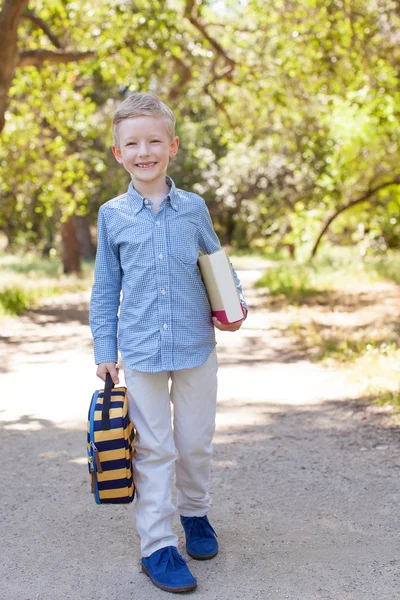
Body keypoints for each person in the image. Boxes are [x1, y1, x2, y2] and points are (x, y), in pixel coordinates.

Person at [89, 92, 248, 594]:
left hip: (196, 343)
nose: (144, 151)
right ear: (118, 153)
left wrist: (233, 304)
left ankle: (196, 514)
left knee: (194, 443)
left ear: (172, 146)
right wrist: (104, 352)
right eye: (132, 143)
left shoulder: (193, 208)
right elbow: (105, 287)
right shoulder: (113, 215)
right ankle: (158, 545)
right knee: (154, 449)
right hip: (139, 351)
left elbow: (216, 260)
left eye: (154, 140)